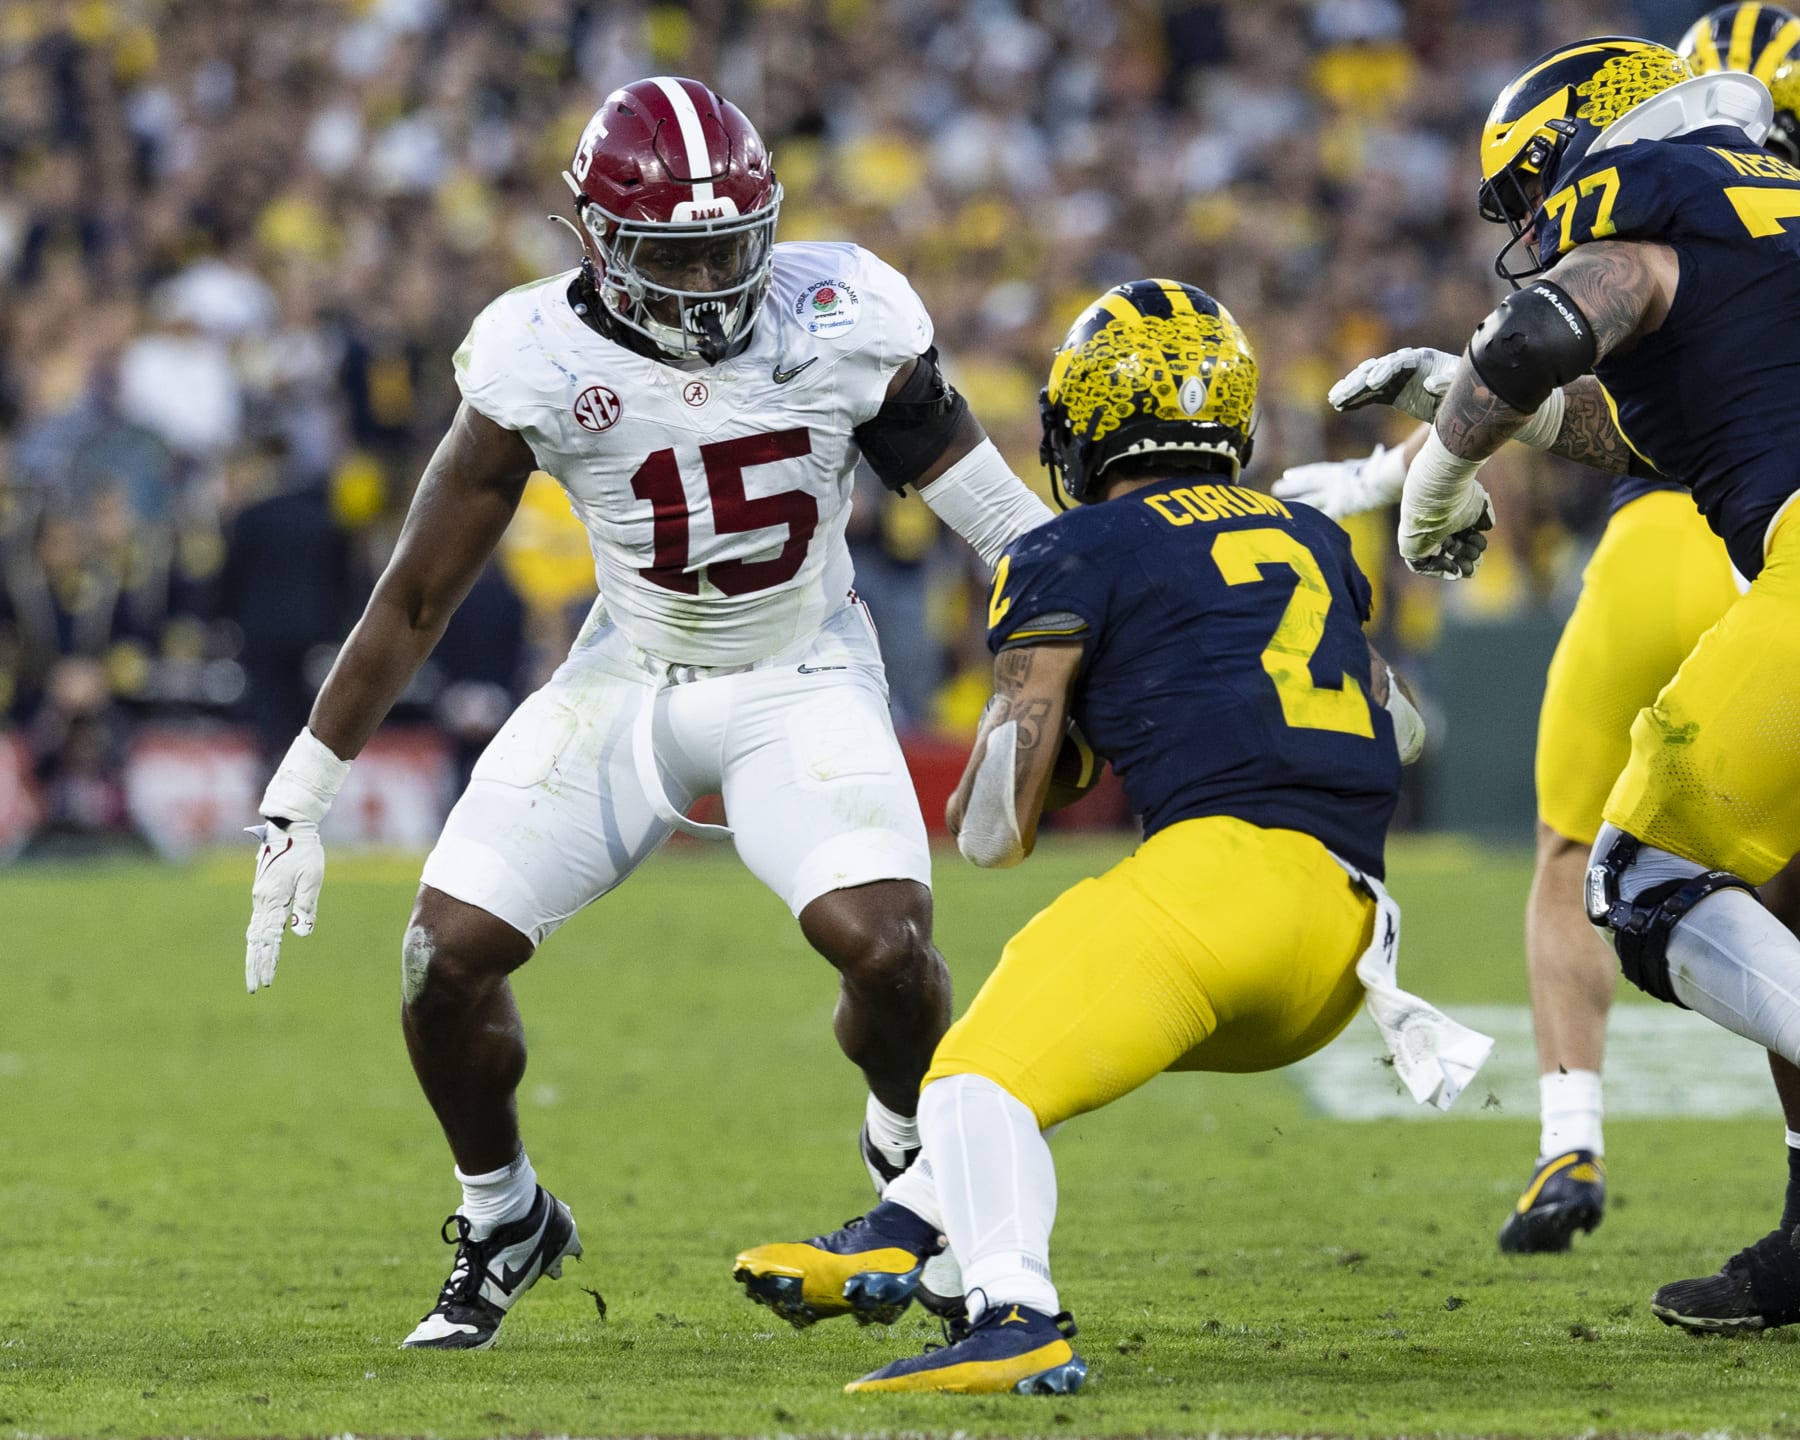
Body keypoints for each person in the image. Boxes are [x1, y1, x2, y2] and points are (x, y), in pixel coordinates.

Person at [240, 76, 1053, 1351]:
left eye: (732, 246)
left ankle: (908, 1155)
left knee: (890, 952)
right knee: (440, 962)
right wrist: (303, 787)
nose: (714, 280)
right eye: (677, 255)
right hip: (629, 677)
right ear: (597, 243)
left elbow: (1007, 528)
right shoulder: (536, 355)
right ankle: (505, 1215)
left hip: (802, 668)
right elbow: (416, 595)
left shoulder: (844, 314)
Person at [732, 280, 1486, 1395]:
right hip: (1344, 945)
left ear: (1086, 422)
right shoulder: (1313, 537)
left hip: (1222, 893)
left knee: (971, 1077)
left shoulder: (1072, 549)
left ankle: (1015, 1314)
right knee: (1042, 1050)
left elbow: (994, 834)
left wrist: (1058, 737)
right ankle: (902, 1229)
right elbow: (1406, 728)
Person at [1278, 5, 1800, 1309]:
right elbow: (1638, 430)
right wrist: (1467, 415)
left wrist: (1436, 482)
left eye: (1534, 188)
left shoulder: (1654, 184)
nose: (1536, 221)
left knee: (1635, 872)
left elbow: (1533, 336)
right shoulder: (1761, 217)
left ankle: (1580, 1138)